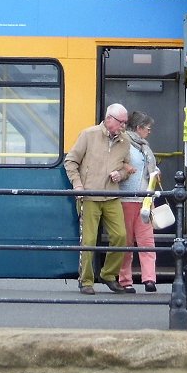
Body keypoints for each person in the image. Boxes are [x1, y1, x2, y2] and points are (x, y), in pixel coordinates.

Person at [63, 103, 135, 294]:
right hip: (89, 195)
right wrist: (77, 185)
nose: (123, 127)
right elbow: (70, 161)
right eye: (121, 122)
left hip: (112, 195)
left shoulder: (125, 141)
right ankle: (86, 281)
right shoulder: (89, 134)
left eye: (125, 123)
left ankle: (108, 274)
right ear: (109, 119)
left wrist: (121, 174)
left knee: (121, 236)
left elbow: (127, 167)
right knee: (88, 240)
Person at [118, 112, 161, 292]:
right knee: (126, 243)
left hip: (144, 200)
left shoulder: (145, 147)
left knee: (147, 241)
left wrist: (156, 172)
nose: (149, 132)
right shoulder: (124, 144)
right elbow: (116, 164)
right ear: (138, 128)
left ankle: (149, 279)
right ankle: (125, 280)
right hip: (125, 199)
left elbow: (150, 167)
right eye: (147, 128)